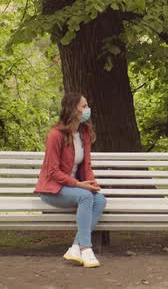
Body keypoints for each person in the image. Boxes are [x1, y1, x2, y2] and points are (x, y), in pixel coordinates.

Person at [34, 93, 106, 268]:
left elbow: (86, 166)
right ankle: (87, 249)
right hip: (52, 190)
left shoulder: (84, 133)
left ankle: (75, 247)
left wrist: (91, 184)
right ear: (72, 110)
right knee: (85, 197)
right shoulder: (55, 135)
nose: (87, 110)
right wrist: (80, 185)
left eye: (87, 106)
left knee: (100, 199)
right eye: (83, 106)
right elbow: (52, 172)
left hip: (74, 188)